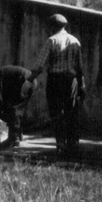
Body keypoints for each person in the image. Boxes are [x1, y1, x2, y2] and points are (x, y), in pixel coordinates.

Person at [28, 14, 84, 155]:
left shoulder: (51, 41)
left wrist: (29, 79)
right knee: (71, 111)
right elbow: (80, 67)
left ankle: (61, 144)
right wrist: (82, 85)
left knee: (56, 112)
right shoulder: (75, 41)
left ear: (52, 26)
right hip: (72, 80)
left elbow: (39, 65)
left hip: (55, 80)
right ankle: (73, 144)